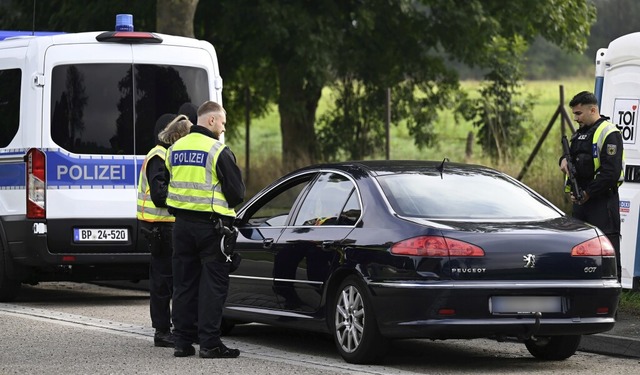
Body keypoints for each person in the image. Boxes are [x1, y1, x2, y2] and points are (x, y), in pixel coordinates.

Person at [165, 101, 245, 358]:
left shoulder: (174, 148)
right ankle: (210, 344)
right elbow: (237, 193)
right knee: (213, 285)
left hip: (181, 227)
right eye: (222, 122)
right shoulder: (216, 150)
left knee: (183, 284)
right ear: (211, 121)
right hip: (211, 228)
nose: (224, 127)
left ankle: (182, 342)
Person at [137, 114, 192, 347]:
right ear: (178, 137)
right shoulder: (159, 157)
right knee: (162, 280)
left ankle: (170, 328)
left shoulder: (165, 155)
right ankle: (162, 331)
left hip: (163, 225)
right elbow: (160, 196)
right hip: (159, 225)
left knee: (168, 278)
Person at [559, 91, 625, 281]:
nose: (575, 118)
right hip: (581, 201)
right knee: (580, 249)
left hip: (602, 202)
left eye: (579, 113)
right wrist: (562, 160)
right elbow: (572, 157)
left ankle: (612, 300)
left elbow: (610, 174)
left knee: (607, 251)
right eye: (574, 114)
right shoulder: (580, 133)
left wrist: (588, 193)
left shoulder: (609, 132)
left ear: (593, 109)